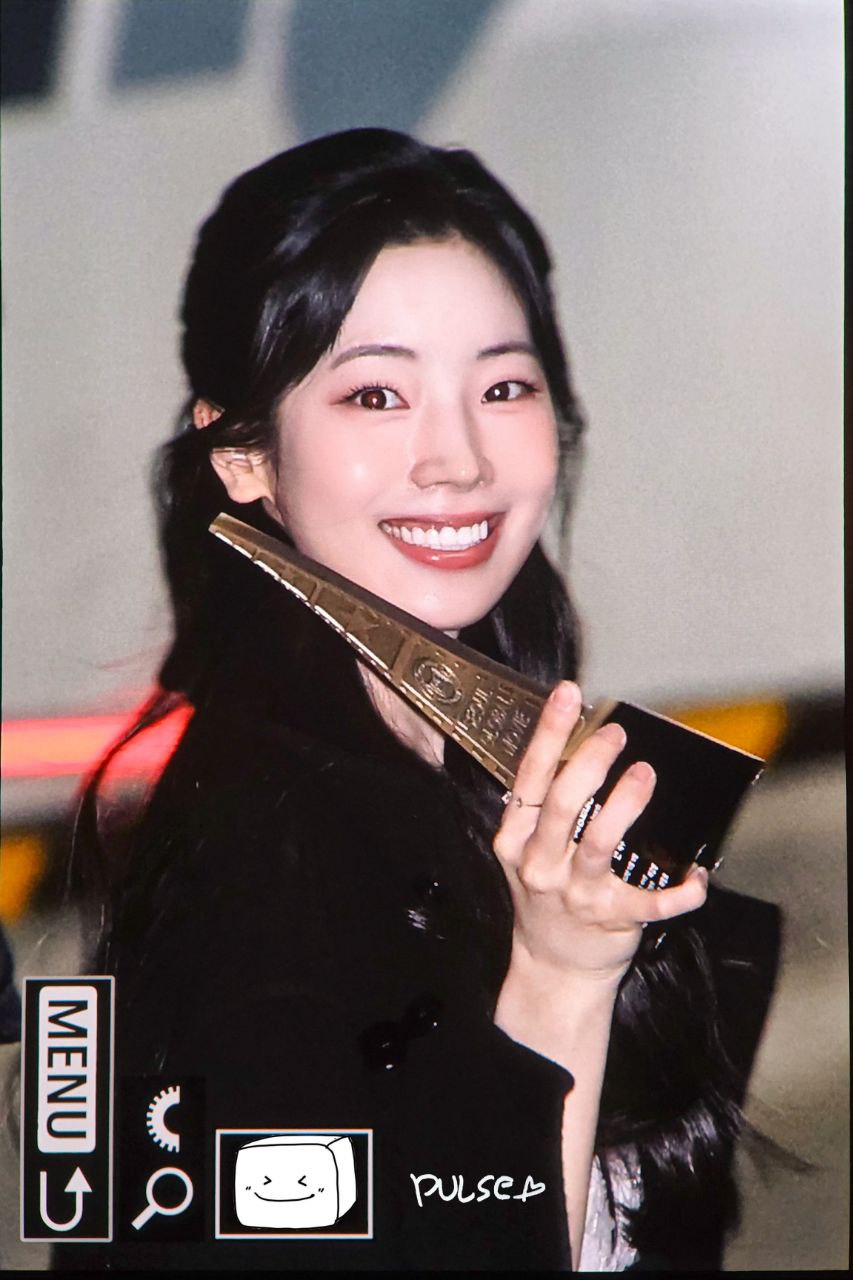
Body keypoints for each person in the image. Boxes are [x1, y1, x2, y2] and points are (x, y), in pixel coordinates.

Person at [57, 128, 779, 1271]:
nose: (459, 457)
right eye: (377, 393)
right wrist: (559, 979)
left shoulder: (504, 780)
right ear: (243, 454)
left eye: (503, 385)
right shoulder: (238, 895)